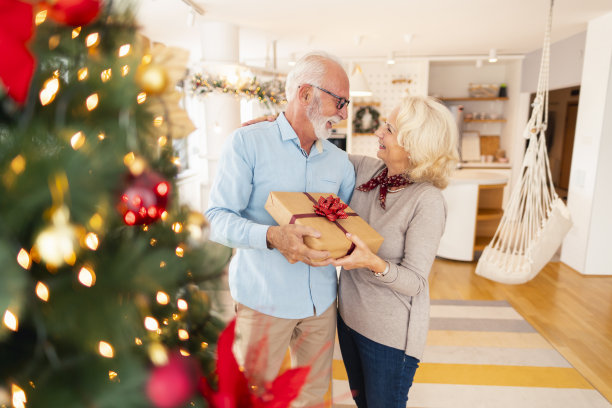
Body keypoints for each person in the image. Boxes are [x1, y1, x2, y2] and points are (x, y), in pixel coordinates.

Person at [247, 94, 459, 407]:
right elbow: (310, 145)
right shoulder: (367, 171)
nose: (379, 133)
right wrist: (276, 126)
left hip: (390, 337)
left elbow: (416, 282)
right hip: (349, 323)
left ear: (415, 143)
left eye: (389, 129)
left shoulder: (427, 201)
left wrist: (373, 263)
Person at [205, 51, 356, 407]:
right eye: (340, 101)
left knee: (314, 398)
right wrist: (271, 236)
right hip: (262, 302)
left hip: (321, 304)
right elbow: (217, 216)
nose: (345, 114)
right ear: (305, 94)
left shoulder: (340, 162)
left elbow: (347, 225)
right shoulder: (247, 143)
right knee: (251, 398)